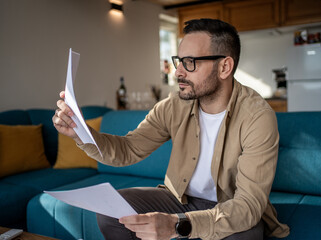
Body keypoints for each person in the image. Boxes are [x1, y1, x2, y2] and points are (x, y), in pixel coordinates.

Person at [53, 19, 290, 240]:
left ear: (225, 67)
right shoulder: (174, 106)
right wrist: (80, 132)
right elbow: (128, 149)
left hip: (228, 208)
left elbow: (248, 206)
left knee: (245, 235)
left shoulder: (257, 117)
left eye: (190, 63)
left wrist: (178, 225)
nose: (178, 71)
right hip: (179, 199)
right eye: (179, 61)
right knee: (110, 213)